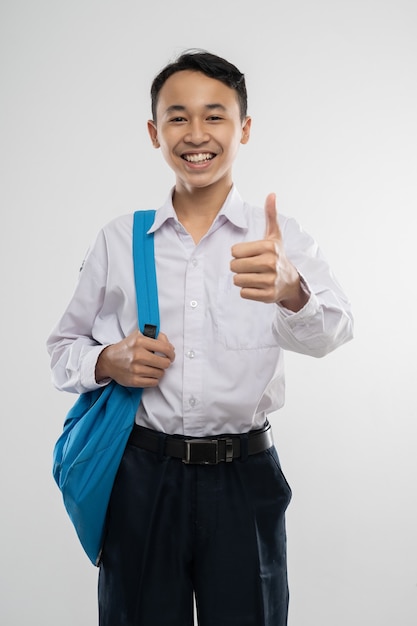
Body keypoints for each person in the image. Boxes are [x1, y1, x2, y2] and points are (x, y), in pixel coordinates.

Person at [47, 50, 353, 626]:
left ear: (244, 128)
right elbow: (62, 350)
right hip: (141, 477)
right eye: (177, 117)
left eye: (215, 116)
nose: (196, 134)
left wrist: (293, 289)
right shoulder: (119, 239)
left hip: (246, 478)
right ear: (154, 131)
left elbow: (335, 331)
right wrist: (109, 360)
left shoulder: (281, 238)